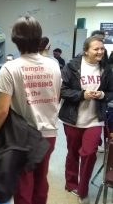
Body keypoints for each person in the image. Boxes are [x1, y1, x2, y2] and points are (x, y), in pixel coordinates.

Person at [0, 15, 61, 204]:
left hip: (21, 136)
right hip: (49, 133)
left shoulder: (10, 68)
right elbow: (57, 96)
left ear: (15, 40)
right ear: (39, 37)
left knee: (23, 182)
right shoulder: (54, 66)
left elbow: (2, 110)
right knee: (41, 179)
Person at [58, 35, 113, 204]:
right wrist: (82, 94)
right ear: (86, 50)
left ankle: (83, 190)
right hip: (73, 119)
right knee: (73, 152)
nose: (100, 52)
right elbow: (62, 90)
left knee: (89, 153)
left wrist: (103, 94)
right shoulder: (72, 66)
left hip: (95, 119)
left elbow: (111, 91)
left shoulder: (107, 69)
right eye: (96, 49)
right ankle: (71, 183)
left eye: (102, 49)